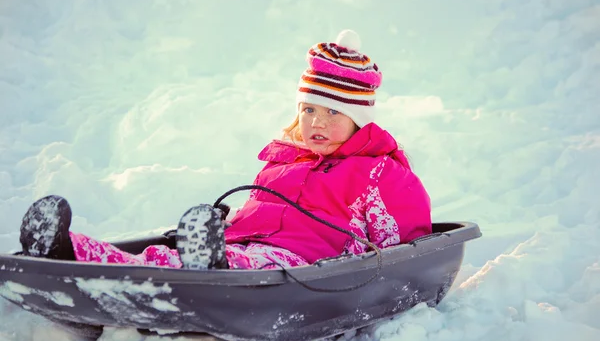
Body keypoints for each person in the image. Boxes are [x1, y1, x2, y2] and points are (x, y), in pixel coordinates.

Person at [19, 30, 432, 270]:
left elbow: (407, 245)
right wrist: (228, 223)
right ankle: (70, 252)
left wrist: (364, 260)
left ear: (359, 118)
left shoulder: (379, 171)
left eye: (331, 112)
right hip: (247, 245)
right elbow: (264, 215)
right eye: (307, 109)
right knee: (161, 258)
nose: (316, 122)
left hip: (305, 266)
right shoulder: (281, 163)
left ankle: (211, 266)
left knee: (243, 264)